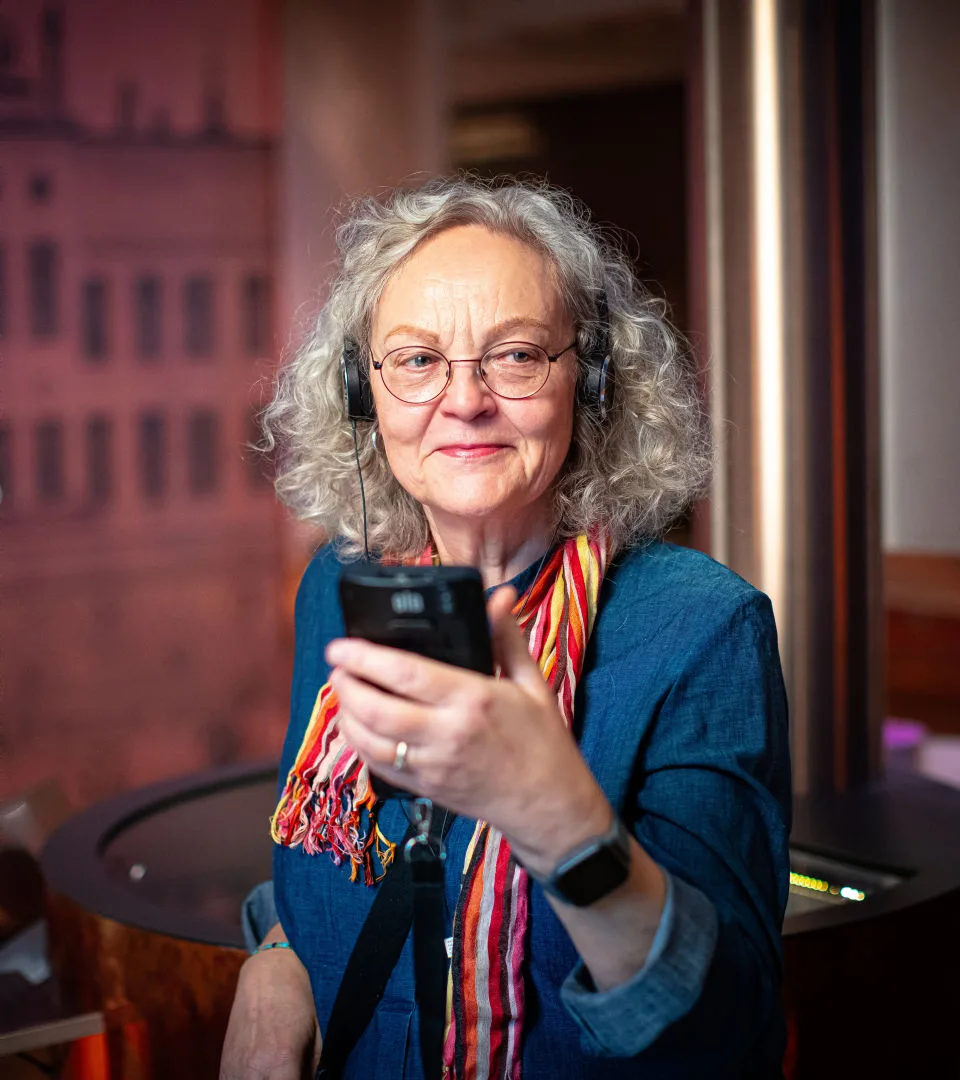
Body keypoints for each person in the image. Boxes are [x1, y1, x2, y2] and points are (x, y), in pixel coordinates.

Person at [221, 176, 791, 1080]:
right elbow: (322, 876)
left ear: (591, 381)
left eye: (516, 355)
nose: (465, 400)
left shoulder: (701, 628)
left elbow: (725, 1033)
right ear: (363, 393)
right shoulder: (339, 587)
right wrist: (276, 963)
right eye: (415, 360)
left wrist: (557, 819)